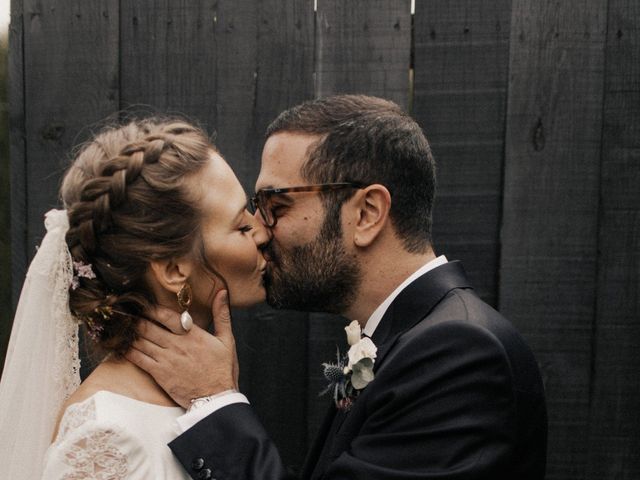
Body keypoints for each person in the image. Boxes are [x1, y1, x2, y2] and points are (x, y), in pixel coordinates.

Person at [127, 95, 548, 479]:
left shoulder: (460, 355)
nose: (258, 231)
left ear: (367, 213)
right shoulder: (409, 338)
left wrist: (213, 401)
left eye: (276, 206)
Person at [0, 118, 269, 479]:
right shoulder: (107, 434)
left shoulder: (203, 395)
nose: (263, 232)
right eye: (241, 226)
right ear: (174, 270)